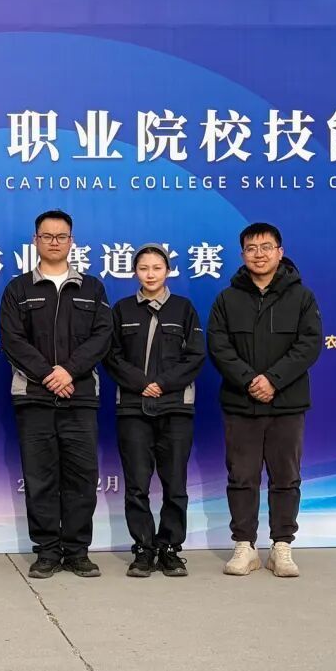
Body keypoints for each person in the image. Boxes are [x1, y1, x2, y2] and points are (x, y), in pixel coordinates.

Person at [0, 209, 112, 579]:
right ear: (35, 241)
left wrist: (69, 371)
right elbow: (13, 340)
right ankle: (47, 551)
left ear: (71, 241)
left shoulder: (92, 288)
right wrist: (49, 374)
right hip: (33, 397)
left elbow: (102, 336)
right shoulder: (18, 289)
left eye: (61, 236)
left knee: (81, 477)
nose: (54, 242)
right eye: (46, 236)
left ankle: (77, 551)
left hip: (80, 397)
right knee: (40, 478)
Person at [207, 223, 322, 577]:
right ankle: (245, 546)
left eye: (266, 247)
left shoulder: (301, 297)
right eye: (251, 248)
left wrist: (273, 380)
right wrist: (248, 380)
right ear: (243, 254)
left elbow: (309, 344)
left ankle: (281, 546)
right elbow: (218, 346)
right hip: (240, 403)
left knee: (286, 476)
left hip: (287, 403)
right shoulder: (227, 299)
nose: (259, 254)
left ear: (280, 252)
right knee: (241, 476)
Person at [104, 244, 205, 578]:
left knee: (175, 484)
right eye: (144, 268)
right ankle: (144, 549)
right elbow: (111, 355)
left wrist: (161, 384)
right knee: (137, 485)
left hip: (175, 408)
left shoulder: (183, 308)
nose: (150, 274)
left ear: (167, 271)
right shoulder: (122, 309)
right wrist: (141, 383)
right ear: (135, 272)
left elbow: (195, 356)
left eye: (157, 268)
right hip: (133, 408)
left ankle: (170, 549)